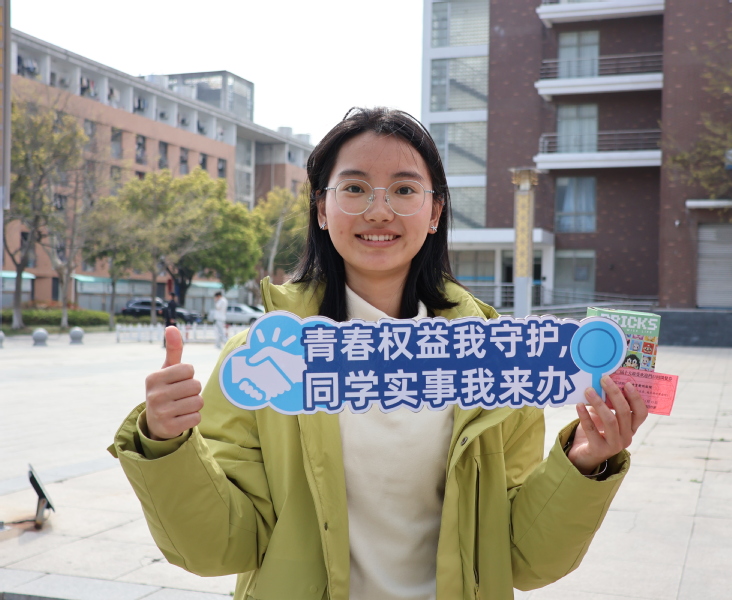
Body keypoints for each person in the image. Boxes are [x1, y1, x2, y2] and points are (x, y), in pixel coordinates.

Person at [110, 107, 648, 600]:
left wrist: (582, 463)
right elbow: (219, 545)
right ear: (322, 209)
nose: (379, 211)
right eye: (355, 188)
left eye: (404, 190)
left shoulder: (493, 355)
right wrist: (166, 443)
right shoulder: (265, 357)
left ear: (435, 211)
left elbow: (521, 558)